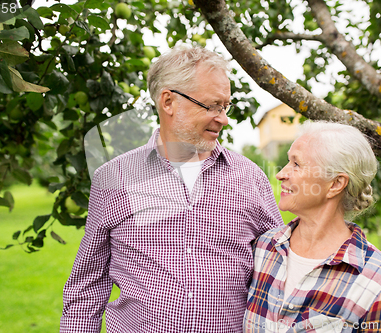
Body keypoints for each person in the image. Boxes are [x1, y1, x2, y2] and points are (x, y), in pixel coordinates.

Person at [60, 45, 284, 333]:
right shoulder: (113, 178)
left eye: (224, 106)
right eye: (212, 105)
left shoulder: (250, 177)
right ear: (168, 101)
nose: (223, 118)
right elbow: (86, 287)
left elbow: (280, 273)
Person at [244, 121, 381, 333]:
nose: (281, 174)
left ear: (335, 184)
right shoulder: (263, 249)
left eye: (296, 164)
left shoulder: (379, 282)